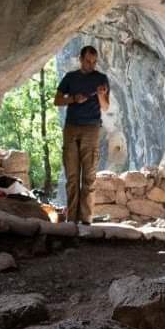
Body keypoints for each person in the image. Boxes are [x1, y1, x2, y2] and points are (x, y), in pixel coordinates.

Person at [54, 45, 110, 223]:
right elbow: (57, 100)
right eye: (88, 61)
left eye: (94, 62)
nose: (91, 65)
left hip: (92, 129)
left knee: (89, 176)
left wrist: (101, 94)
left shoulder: (101, 79)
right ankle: (72, 219)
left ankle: (86, 219)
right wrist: (73, 99)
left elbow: (106, 106)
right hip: (71, 128)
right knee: (72, 176)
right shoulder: (70, 77)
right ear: (80, 59)